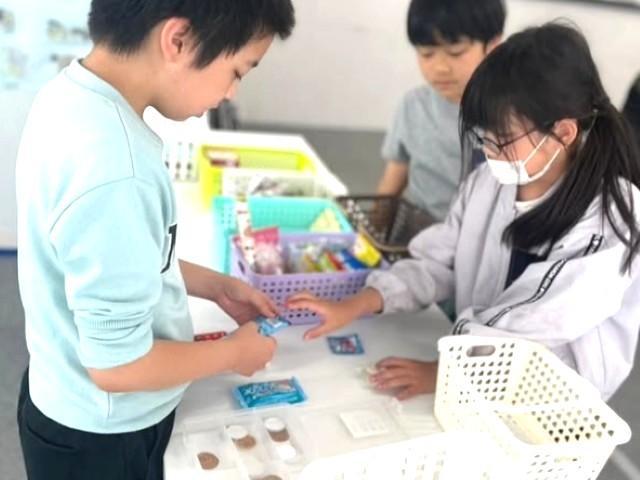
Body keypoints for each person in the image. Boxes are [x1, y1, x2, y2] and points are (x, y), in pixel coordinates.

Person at [15, 1, 295, 479]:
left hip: (62, 394)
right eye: (237, 71)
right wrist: (233, 353)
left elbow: (111, 259)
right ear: (178, 40)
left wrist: (214, 285)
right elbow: (117, 367)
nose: (230, 92)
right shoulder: (117, 168)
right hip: (103, 436)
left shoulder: (69, 96)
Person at [290, 23, 640, 402]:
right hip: (474, 371)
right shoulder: (488, 182)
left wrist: (448, 371)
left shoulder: (611, 218)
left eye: (503, 140)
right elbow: (439, 260)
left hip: (550, 397)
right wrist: (360, 302)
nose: (489, 152)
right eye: (483, 137)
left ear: (564, 133)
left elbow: (539, 321)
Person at [377, 0, 505, 221]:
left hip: (479, 234)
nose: (440, 68)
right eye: (427, 54)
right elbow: (392, 184)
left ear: (493, 46)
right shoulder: (414, 105)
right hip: (417, 230)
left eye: (456, 53)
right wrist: (372, 229)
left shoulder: (511, 114)